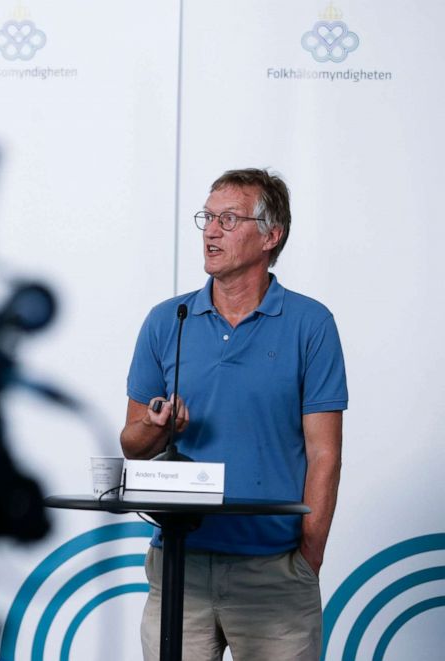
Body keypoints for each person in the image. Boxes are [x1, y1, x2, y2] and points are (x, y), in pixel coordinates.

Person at [121, 169, 347, 660]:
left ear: (271, 235)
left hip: (274, 572)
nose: (210, 231)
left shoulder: (311, 324)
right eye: (207, 217)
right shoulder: (168, 321)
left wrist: (309, 557)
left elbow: (324, 452)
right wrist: (155, 428)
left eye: (228, 218)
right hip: (180, 567)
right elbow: (131, 445)